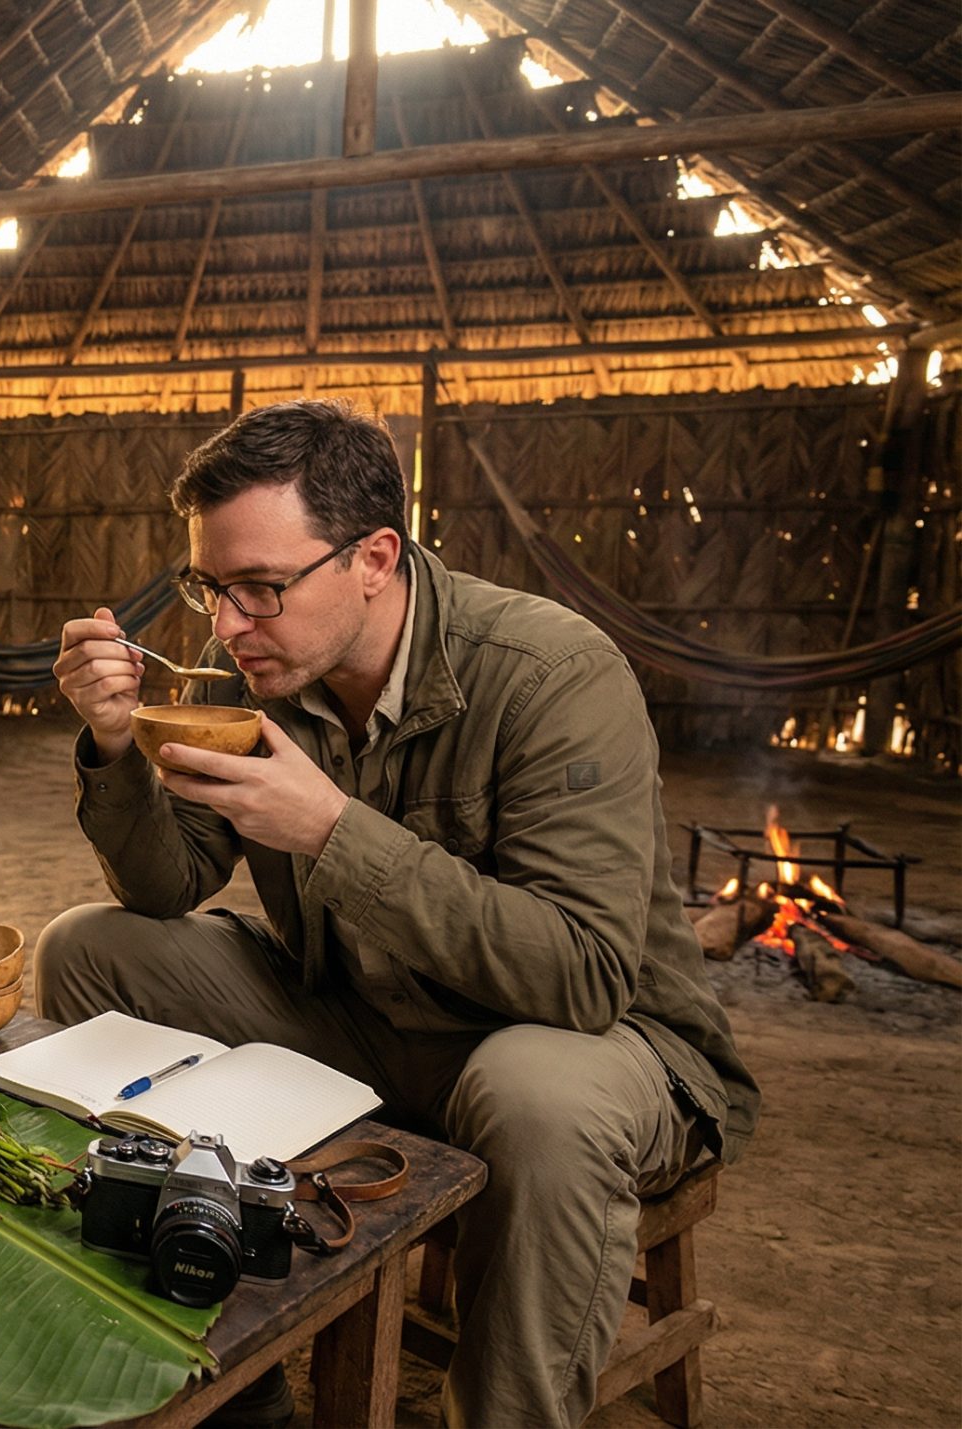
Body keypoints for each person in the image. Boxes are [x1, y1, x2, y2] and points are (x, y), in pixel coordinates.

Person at [38, 400, 756, 1428]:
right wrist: (113, 747)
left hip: (580, 1045)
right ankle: (203, 1328)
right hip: (366, 1022)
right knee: (89, 949)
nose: (226, 625)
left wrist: (332, 831)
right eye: (209, 587)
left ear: (374, 558)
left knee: (533, 1096)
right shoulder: (263, 666)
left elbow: (585, 976)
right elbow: (167, 885)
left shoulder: (553, 674)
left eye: (259, 588)